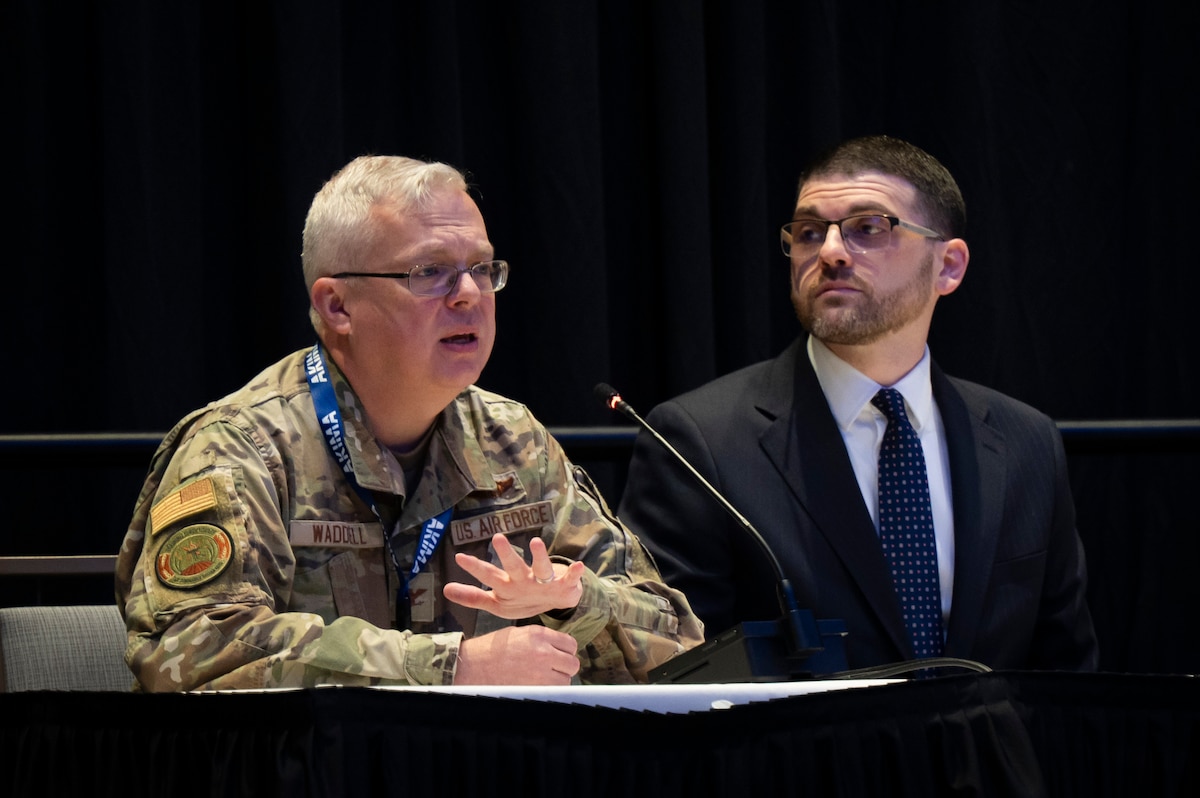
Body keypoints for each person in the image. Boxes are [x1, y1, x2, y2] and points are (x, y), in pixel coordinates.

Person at [115, 154, 703, 691]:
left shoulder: (514, 442)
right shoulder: (241, 449)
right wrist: (451, 668)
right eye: (430, 272)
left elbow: (680, 642)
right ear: (336, 306)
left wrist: (576, 602)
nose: (469, 293)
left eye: (481, 267)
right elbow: (191, 653)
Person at [617, 134, 1098, 673]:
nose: (830, 252)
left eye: (868, 228)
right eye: (808, 232)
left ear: (949, 266)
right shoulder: (700, 441)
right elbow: (676, 672)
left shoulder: (1025, 440)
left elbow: (1065, 675)